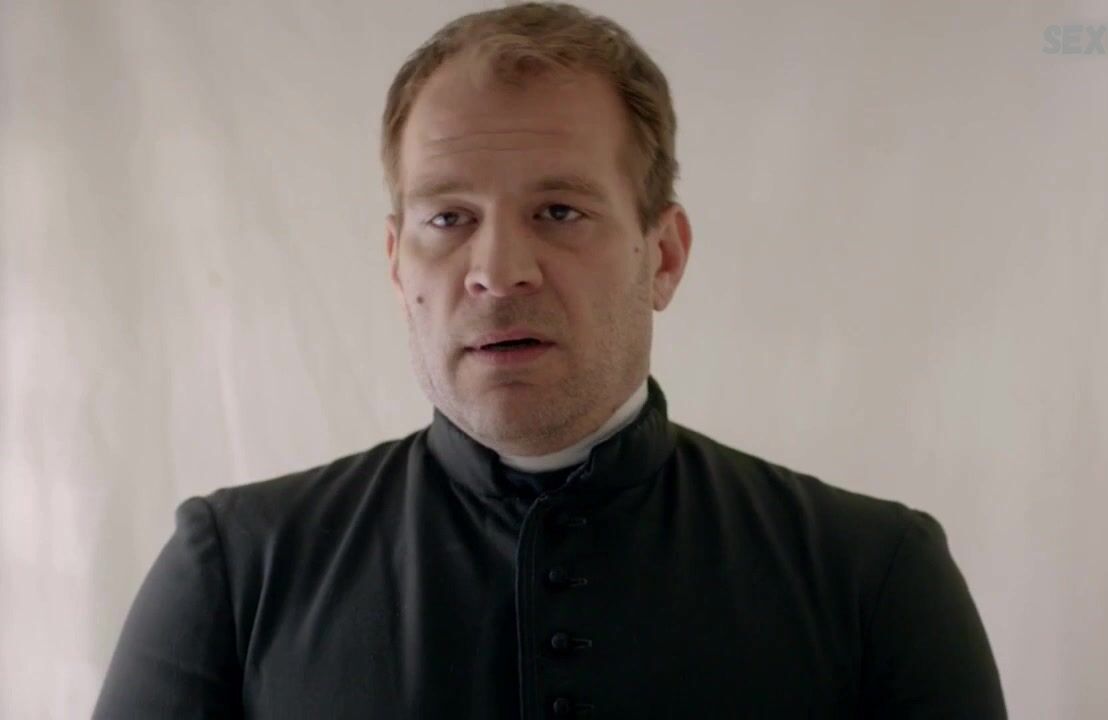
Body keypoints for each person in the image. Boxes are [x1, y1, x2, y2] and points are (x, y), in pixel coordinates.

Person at [93, 2, 1007, 718]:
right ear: (397, 264)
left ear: (664, 256)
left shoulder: (873, 575)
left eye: (560, 212)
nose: (498, 271)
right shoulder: (236, 569)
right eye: (448, 218)